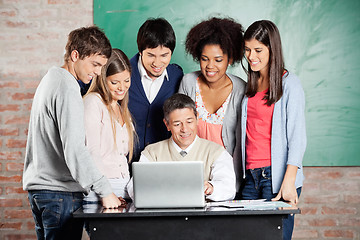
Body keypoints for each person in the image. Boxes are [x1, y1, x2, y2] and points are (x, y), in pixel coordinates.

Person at [23, 26, 122, 240]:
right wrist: (105, 190)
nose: (97, 72)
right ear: (75, 55)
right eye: (95, 64)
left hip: (40, 193)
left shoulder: (50, 79)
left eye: (101, 67)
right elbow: (75, 149)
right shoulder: (68, 88)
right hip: (59, 194)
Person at [236, 20, 306, 240]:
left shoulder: (290, 85)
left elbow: (297, 137)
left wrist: (289, 181)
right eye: (247, 50)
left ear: (272, 49)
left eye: (258, 50)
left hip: (274, 178)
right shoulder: (251, 84)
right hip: (250, 178)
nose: (251, 56)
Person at [178, 17, 246, 194]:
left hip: (226, 176)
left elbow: (241, 142)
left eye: (218, 60)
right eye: (204, 59)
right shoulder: (188, 82)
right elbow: (178, 128)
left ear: (230, 59)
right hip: (190, 173)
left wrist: (235, 184)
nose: (210, 66)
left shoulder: (241, 90)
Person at [128, 93, 236, 202]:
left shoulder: (216, 152)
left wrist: (211, 188)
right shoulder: (152, 153)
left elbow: (228, 187)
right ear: (167, 125)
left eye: (189, 122)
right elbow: (134, 187)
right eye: (177, 124)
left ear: (197, 119)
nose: (185, 129)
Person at [83, 48, 136, 204]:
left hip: (124, 187)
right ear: (102, 79)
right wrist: (105, 193)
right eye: (115, 82)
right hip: (102, 189)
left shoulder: (121, 108)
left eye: (127, 80)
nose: (122, 87)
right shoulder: (93, 102)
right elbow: (91, 152)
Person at [128, 18, 184, 162]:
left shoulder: (177, 76)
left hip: (162, 164)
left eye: (164, 55)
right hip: (123, 165)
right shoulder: (123, 73)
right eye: (151, 55)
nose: (157, 63)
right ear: (140, 51)